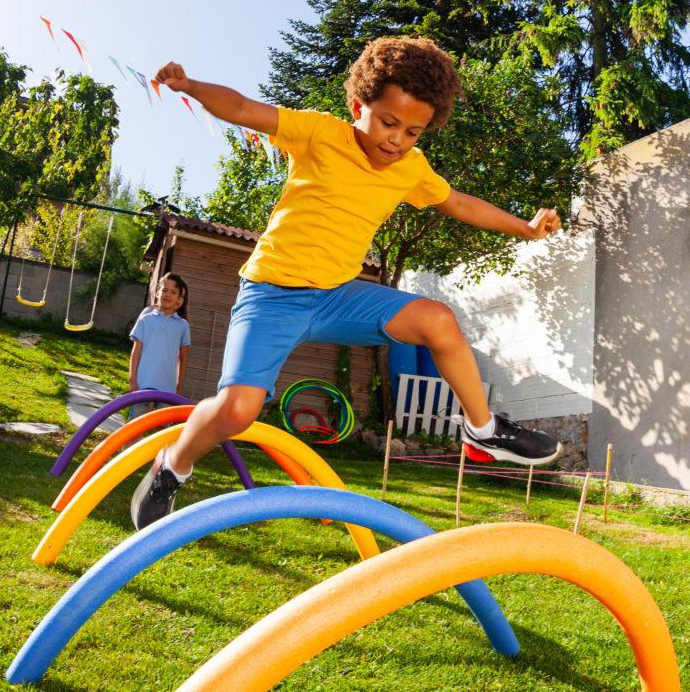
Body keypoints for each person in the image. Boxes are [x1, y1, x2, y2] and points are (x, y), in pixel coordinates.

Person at [133, 37, 562, 529]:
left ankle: (482, 430)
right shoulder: (319, 132)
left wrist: (525, 228)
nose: (397, 140)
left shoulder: (410, 169)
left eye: (413, 132)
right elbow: (244, 108)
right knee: (238, 411)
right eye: (388, 122)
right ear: (359, 105)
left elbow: (460, 203)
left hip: (338, 296)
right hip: (272, 295)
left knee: (438, 320)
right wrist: (191, 86)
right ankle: (174, 464)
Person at [127, 271, 192, 414]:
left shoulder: (183, 326)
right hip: (143, 384)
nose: (168, 295)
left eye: (173, 292)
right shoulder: (145, 319)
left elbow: (184, 358)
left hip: (167, 387)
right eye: (165, 290)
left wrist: (179, 388)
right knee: (136, 427)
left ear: (179, 299)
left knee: (162, 429)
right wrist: (133, 380)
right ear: (157, 293)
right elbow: (135, 351)